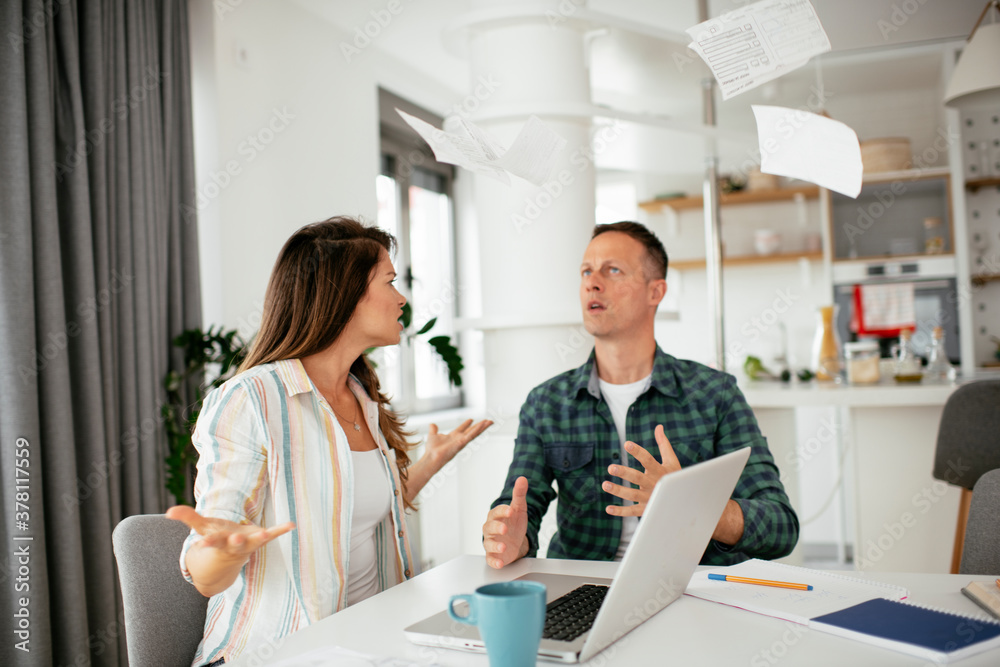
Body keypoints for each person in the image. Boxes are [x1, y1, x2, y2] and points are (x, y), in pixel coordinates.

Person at [167, 217, 492, 666]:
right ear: (345, 294)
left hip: (369, 641)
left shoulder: (360, 396)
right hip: (281, 653)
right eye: (390, 282)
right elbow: (208, 562)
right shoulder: (252, 399)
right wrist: (220, 552)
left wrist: (429, 463)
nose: (401, 299)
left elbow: (349, 509)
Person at [482, 221, 798, 569]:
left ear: (655, 292)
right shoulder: (546, 403)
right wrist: (510, 539)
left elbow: (780, 527)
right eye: (586, 271)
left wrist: (691, 505)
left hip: (689, 588)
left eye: (612, 270)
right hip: (584, 590)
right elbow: (518, 509)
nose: (593, 282)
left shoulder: (716, 394)